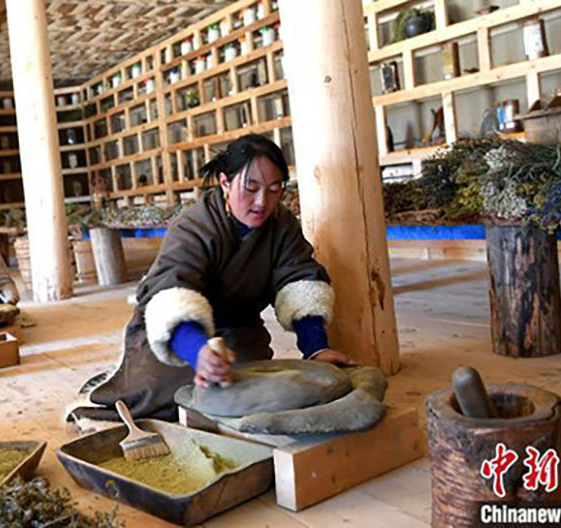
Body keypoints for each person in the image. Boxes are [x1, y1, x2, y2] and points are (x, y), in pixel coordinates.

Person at [68, 134, 357, 423]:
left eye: (274, 189)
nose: (262, 201)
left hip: (239, 333)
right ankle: (116, 384)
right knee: (160, 396)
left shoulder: (281, 224)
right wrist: (197, 352)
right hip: (178, 336)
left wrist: (316, 347)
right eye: (251, 187)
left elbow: (299, 280)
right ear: (224, 183)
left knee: (254, 390)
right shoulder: (194, 224)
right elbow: (171, 291)